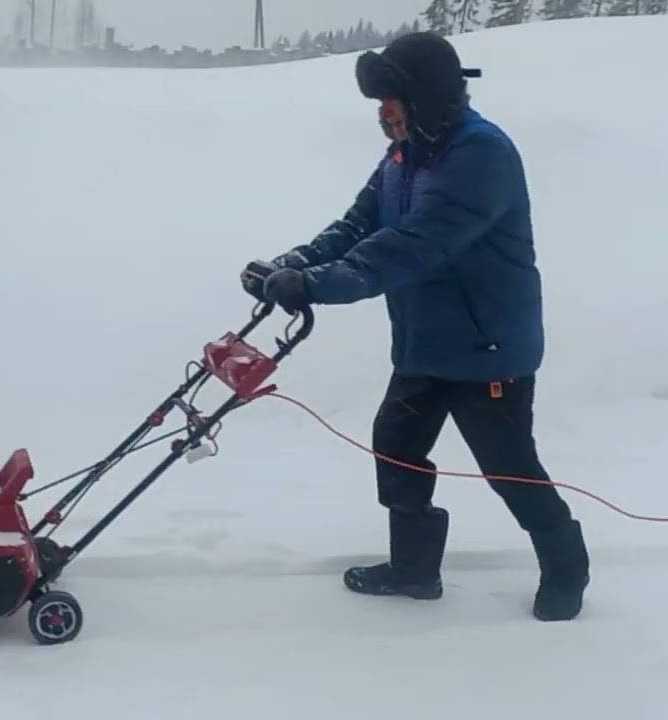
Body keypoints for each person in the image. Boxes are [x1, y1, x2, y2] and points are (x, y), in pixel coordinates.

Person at [241, 32, 590, 621]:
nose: (382, 113)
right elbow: (358, 225)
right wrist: (292, 264)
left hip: (487, 351)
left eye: (391, 99)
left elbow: (413, 246)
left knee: (508, 467)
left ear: (424, 97)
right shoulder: (408, 152)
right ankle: (414, 570)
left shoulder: (480, 155)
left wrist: (317, 286)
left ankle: (567, 568)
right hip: (425, 343)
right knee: (397, 445)